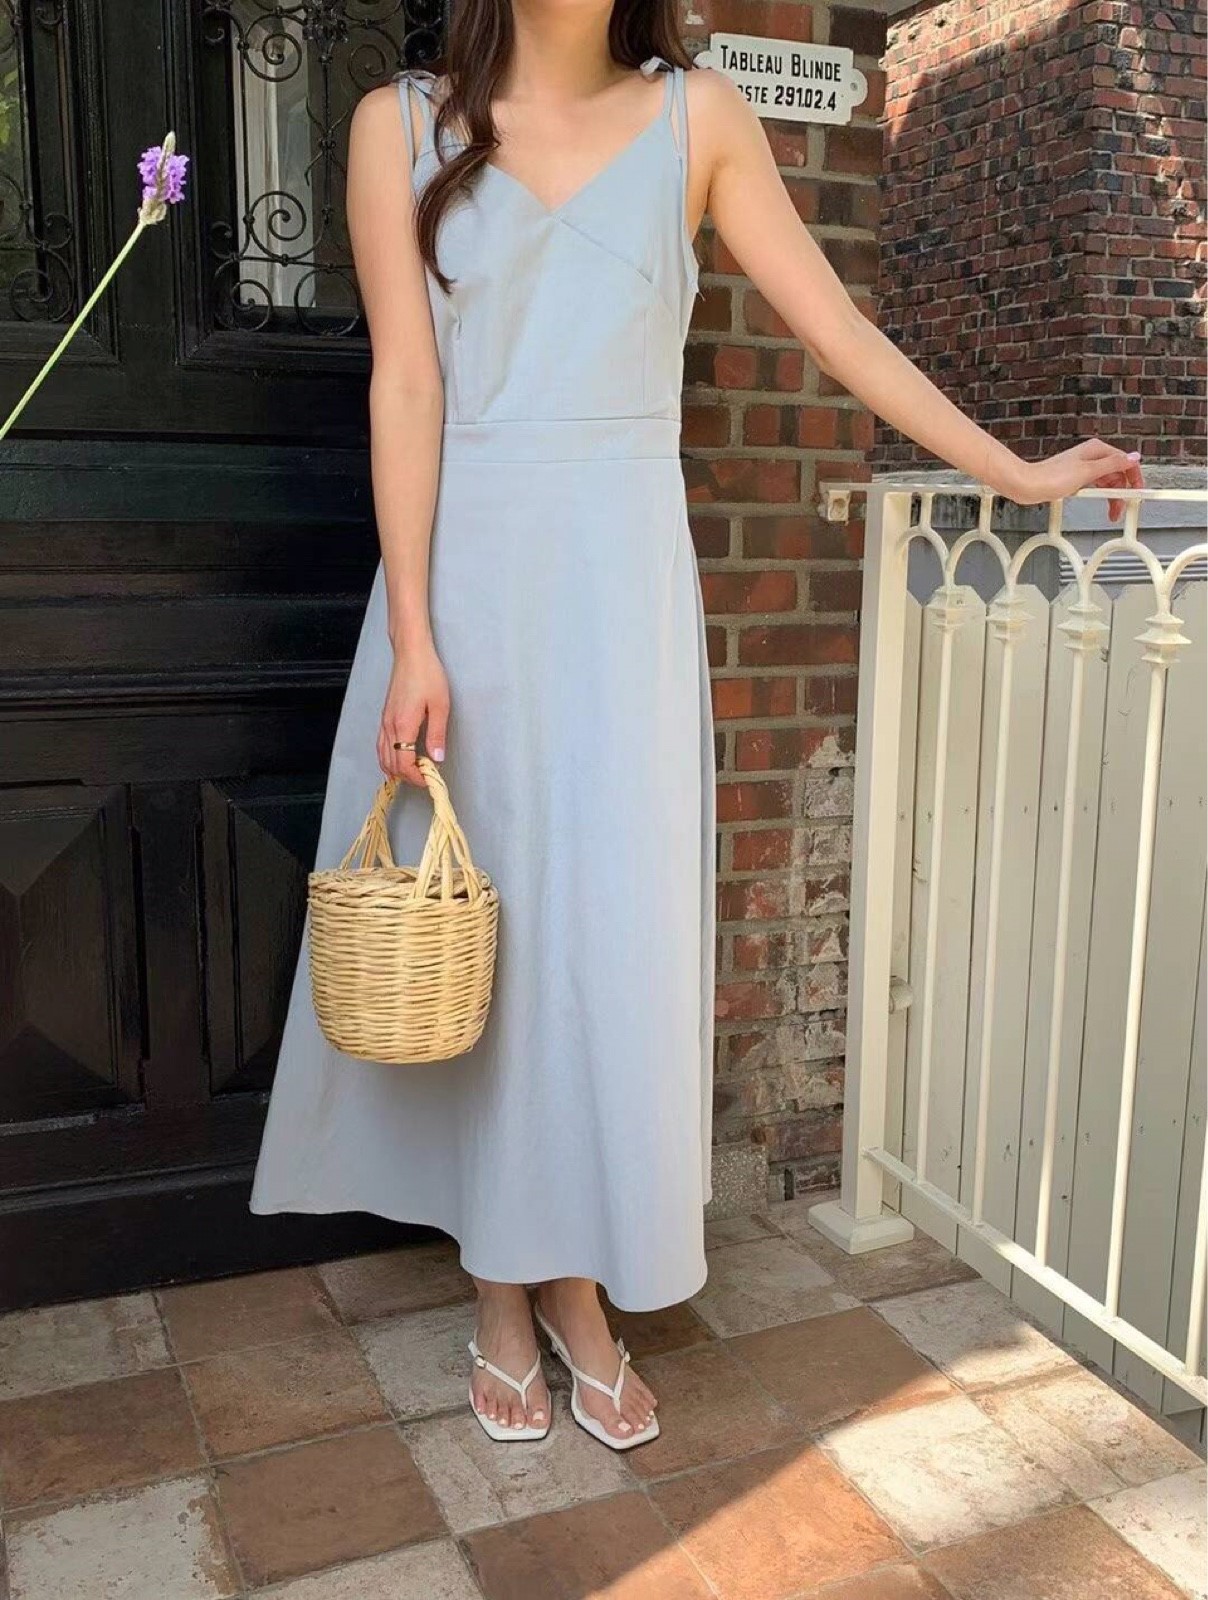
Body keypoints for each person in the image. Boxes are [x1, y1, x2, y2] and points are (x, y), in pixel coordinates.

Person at [249, 0, 1145, 1450]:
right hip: (467, 582)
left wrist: (1018, 472)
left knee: (601, 936)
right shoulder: (394, 124)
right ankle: (501, 1287)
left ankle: (576, 1284)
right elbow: (404, 381)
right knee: (485, 920)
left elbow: (840, 329)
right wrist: (413, 633)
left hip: (622, 588)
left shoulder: (698, 119)